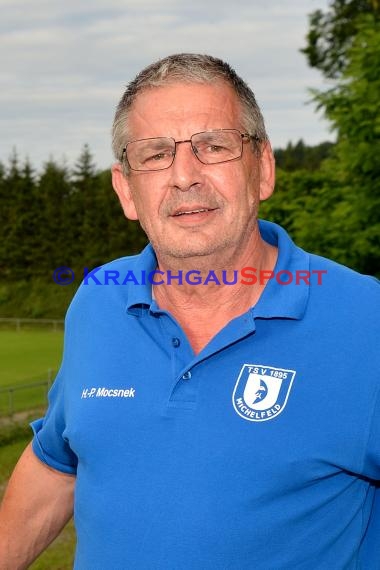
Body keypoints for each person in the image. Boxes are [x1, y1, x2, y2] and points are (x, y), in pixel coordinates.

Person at [0, 53, 379, 570]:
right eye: (155, 155)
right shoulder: (99, 300)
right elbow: (57, 462)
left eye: (214, 146)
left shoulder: (365, 320)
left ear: (262, 169)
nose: (184, 175)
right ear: (125, 190)